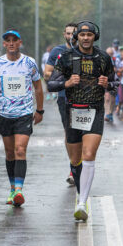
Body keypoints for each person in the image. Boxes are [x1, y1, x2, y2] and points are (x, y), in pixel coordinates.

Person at [48, 21, 118, 221]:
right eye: (82, 35)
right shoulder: (66, 57)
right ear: (76, 37)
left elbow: (115, 83)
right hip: (73, 111)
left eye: (89, 35)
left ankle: (82, 201)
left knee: (89, 154)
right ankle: (82, 195)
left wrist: (108, 83)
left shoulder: (103, 57)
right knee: (75, 159)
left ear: (94, 37)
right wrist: (67, 82)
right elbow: (51, 84)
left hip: (95, 110)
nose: (86, 38)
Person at [0, 28, 44, 207]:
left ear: (19, 43)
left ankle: (19, 190)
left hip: (24, 114)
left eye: (14, 40)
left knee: (20, 150)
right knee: (10, 153)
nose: (11, 43)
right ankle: (12, 188)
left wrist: (39, 110)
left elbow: (38, 88)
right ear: (4, 44)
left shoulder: (29, 63)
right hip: (4, 114)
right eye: (7, 40)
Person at [44, 22, 78, 186]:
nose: (71, 36)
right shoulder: (57, 52)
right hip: (65, 97)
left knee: (84, 133)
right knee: (69, 133)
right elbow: (47, 74)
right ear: (64, 34)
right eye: (68, 33)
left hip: (85, 98)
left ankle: (81, 163)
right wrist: (63, 77)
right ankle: (73, 167)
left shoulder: (87, 51)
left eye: (74, 33)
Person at [104, 47, 117, 122]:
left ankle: (111, 113)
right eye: (108, 53)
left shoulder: (116, 60)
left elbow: (121, 68)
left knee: (112, 100)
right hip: (106, 81)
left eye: (111, 53)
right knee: (107, 97)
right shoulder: (103, 60)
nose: (110, 55)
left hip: (114, 81)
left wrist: (117, 70)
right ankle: (107, 113)